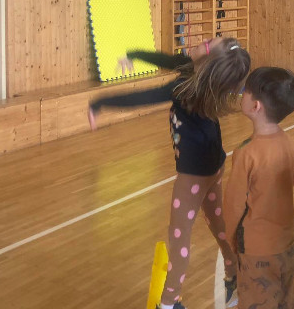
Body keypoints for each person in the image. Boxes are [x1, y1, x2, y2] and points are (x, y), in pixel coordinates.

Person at [88, 37, 250, 309]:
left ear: (207, 61)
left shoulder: (185, 88)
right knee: (217, 222)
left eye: (208, 43)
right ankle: (234, 274)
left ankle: (168, 302)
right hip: (214, 163)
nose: (201, 41)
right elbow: (166, 59)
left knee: (178, 238)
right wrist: (133, 53)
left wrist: (100, 102)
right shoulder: (196, 75)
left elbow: (142, 98)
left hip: (195, 174)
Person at [223, 67, 294, 309]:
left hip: (257, 250)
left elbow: (234, 206)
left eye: (246, 91)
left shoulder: (246, 153)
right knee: (285, 299)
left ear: (256, 106)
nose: (242, 94)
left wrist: (231, 242)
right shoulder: (290, 143)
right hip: (288, 243)